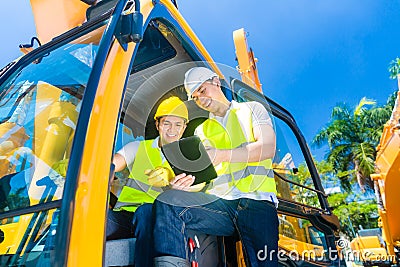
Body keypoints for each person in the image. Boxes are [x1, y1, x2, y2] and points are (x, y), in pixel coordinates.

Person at [152, 67, 279, 267]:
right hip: (221, 205)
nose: (200, 99)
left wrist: (222, 155)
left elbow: (267, 147)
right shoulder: (202, 130)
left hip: (257, 202)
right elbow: (204, 176)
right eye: (195, 97)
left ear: (215, 82)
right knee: (169, 201)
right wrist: (185, 185)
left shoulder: (252, 109)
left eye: (202, 90)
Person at [107, 96, 195, 267]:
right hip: (124, 217)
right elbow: (113, 163)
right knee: (93, 220)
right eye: (167, 123)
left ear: (184, 128)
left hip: (159, 220)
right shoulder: (138, 148)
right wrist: (105, 170)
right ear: (158, 125)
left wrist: (173, 188)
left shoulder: (189, 159)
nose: (172, 129)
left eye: (178, 124)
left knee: (146, 212)